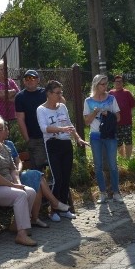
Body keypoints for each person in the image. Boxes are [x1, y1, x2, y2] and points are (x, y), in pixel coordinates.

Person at [0, 116, 39, 246]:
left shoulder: (3, 146)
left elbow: (13, 169)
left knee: (30, 192)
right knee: (20, 194)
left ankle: (16, 225)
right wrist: (13, 185)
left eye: (0, 130)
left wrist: (17, 182)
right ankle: (21, 234)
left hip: (6, 186)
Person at [1, 122, 70, 223]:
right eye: (5, 129)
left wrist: (18, 170)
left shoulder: (9, 144)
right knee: (37, 182)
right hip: (7, 178)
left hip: (17, 175)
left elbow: (18, 161)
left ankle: (35, 217)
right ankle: (49, 207)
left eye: (7, 129)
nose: (7, 131)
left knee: (37, 178)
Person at [38, 80, 87, 218]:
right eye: (57, 93)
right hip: (53, 144)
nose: (60, 95)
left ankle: (64, 208)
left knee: (66, 177)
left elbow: (69, 124)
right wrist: (61, 129)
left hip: (66, 144)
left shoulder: (62, 107)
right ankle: (53, 209)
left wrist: (77, 138)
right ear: (49, 93)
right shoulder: (41, 109)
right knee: (57, 178)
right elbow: (44, 128)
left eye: (61, 92)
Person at [84, 74, 123, 203]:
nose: (105, 86)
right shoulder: (88, 101)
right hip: (95, 136)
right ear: (96, 85)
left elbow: (118, 117)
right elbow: (87, 122)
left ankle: (116, 192)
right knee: (98, 165)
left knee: (112, 164)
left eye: (106, 84)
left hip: (110, 135)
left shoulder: (111, 99)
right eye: (103, 84)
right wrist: (94, 112)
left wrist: (108, 113)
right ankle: (102, 192)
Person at [15, 69, 50, 172]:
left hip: (50, 135)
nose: (30, 80)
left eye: (33, 78)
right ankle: (39, 188)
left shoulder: (45, 93)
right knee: (37, 170)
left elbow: (60, 103)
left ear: (38, 80)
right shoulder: (20, 97)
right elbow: (20, 119)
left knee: (54, 166)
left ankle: (54, 187)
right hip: (34, 138)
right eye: (27, 78)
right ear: (24, 81)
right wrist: (27, 140)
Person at [110, 75, 135, 159]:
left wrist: (130, 115)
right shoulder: (110, 93)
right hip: (115, 123)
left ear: (122, 83)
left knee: (128, 140)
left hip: (126, 122)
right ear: (113, 83)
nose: (118, 83)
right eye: (117, 81)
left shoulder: (127, 93)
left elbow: (133, 105)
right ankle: (122, 157)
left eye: (120, 81)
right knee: (118, 142)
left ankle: (128, 158)